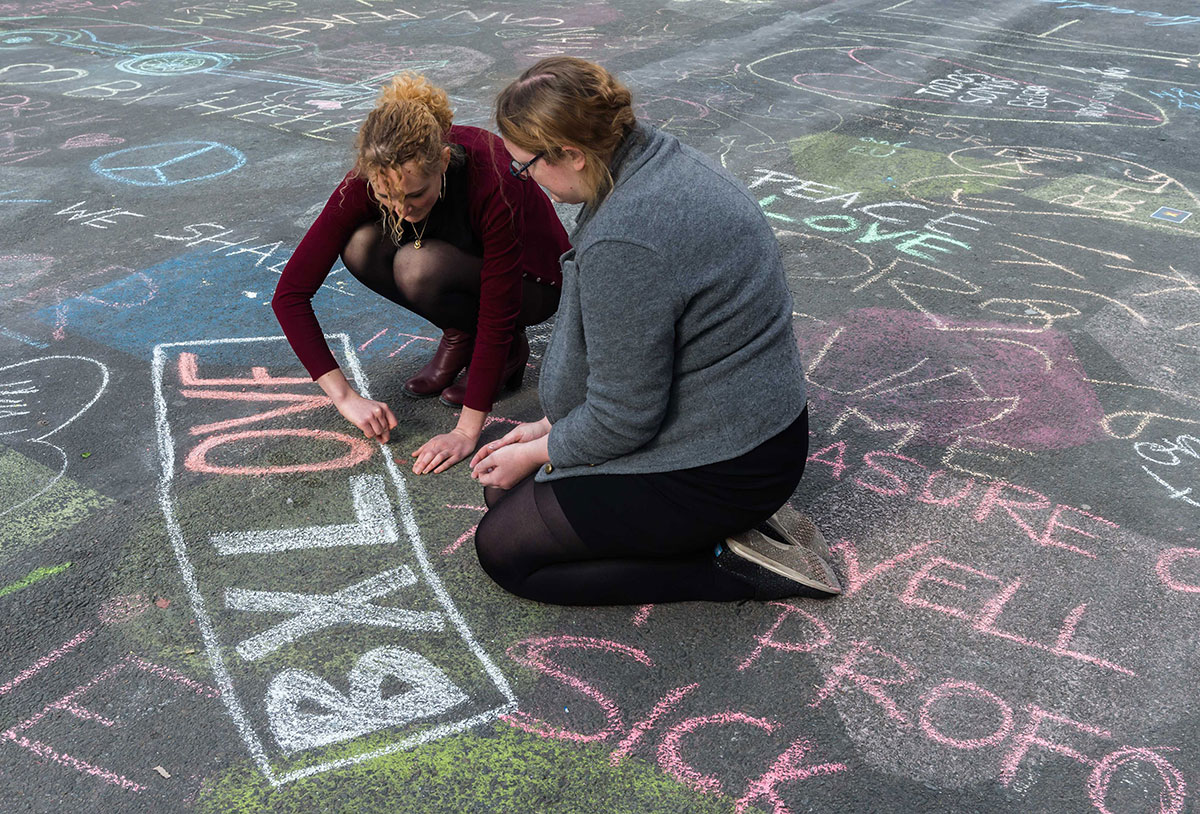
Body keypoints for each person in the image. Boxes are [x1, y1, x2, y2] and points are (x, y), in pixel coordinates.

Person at [469, 57, 842, 605]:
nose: (525, 181)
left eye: (525, 168)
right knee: (503, 493)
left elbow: (625, 417)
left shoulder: (630, 238)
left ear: (571, 153)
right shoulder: (652, 158)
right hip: (751, 428)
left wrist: (543, 448)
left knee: (506, 550)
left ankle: (728, 567)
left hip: (727, 464)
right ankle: (727, 527)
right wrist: (552, 426)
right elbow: (639, 358)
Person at [272, 73, 570, 475]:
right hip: (460, 261)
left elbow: (499, 310)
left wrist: (466, 431)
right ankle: (460, 331)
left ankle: (508, 352)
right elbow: (290, 294)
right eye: (386, 195)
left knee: (418, 266)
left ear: (443, 162)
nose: (401, 208)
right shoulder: (373, 175)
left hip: (533, 282)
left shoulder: (493, 177)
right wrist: (344, 397)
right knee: (360, 246)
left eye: (415, 194)